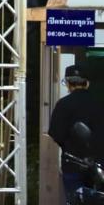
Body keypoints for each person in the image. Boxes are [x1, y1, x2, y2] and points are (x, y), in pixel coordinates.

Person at [49, 64, 104, 204]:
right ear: (87, 83)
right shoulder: (99, 104)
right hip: (98, 164)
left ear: (68, 83)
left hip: (71, 163)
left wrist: (69, 145)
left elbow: (56, 134)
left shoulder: (63, 104)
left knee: (74, 199)